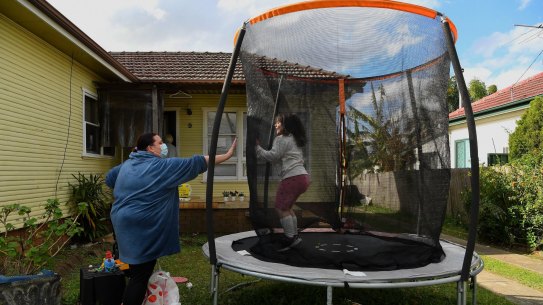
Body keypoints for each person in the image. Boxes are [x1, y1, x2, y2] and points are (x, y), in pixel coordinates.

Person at [105, 132, 236, 305]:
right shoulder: (161, 167)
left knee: (136, 271)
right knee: (140, 277)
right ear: (150, 148)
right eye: (160, 143)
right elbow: (196, 162)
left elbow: (109, 179)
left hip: (121, 221)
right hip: (141, 225)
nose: (164, 145)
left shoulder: (128, 164)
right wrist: (226, 155)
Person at [255, 113, 310, 251]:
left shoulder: (281, 139)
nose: (275, 125)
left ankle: (289, 238)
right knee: (288, 208)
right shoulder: (294, 139)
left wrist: (257, 148)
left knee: (280, 208)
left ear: (285, 125)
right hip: (303, 178)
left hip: (292, 177)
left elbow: (273, 156)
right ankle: (294, 235)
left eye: (278, 122)